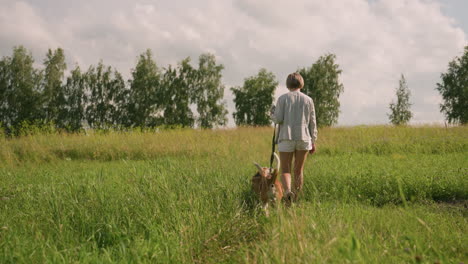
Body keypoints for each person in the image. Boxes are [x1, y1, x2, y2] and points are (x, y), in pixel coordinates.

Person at [272, 72, 317, 205]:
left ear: (288, 84)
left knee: (286, 169)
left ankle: (287, 193)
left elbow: (278, 119)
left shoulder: (282, 99)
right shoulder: (308, 100)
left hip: (286, 137)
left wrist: (272, 114)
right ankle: (296, 199)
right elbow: (312, 122)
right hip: (303, 138)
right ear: (301, 83)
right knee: (298, 170)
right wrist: (313, 141)